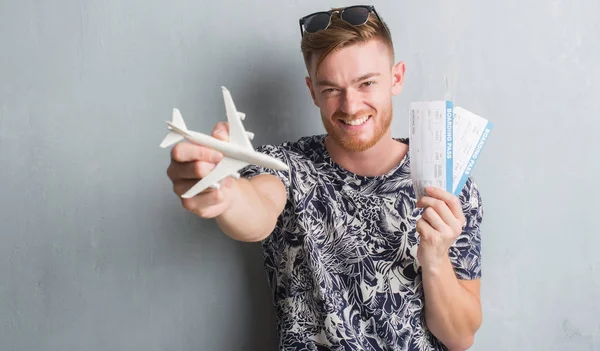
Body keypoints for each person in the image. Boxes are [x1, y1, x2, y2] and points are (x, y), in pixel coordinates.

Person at [166, 5, 484, 351]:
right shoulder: (285, 166)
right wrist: (225, 195)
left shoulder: (451, 184)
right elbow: (256, 210)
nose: (350, 105)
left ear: (396, 78)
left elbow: (460, 338)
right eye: (332, 89)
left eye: (366, 83)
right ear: (312, 90)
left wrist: (435, 258)